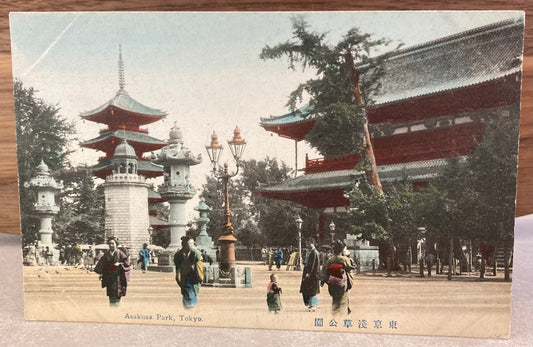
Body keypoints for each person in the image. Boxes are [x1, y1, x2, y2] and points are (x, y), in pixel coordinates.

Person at [320, 240, 355, 315]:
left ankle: (335, 316)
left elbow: (324, 271)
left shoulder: (330, 260)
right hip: (342, 283)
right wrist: (349, 258)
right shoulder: (344, 259)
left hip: (332, 283)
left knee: (335, 300)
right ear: (342, 249)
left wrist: (324, 281)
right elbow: (351, 267)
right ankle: (342, 318)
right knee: (343, 300)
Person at [94, 237, 131, 307]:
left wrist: (120, 264)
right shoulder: (106, 254)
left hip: (118, 277)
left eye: (112, 243)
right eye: (109, 243)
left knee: (117, 293)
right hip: (109, 276)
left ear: (116, 244)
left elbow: (127, 263)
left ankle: (116, 308)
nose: (111, 245)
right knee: (111, 294)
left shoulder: (120, 253)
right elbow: (103, 264)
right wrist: (101, 273)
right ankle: (113, 308)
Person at [174, 236, 204, 309]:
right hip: (184, 276)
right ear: (184, 245)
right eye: (189, 244)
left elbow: (200, 262)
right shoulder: (178, 254)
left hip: (193, 276)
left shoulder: (195, 253)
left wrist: (195, 266)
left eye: (192, 244)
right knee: (186, 293)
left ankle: (191, 309)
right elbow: (177, 266)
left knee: (192, 293)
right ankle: (189, 309)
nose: (191, 246)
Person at [300, 238, 321, 311]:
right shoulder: (310, 252)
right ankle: (312, 304)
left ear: (313, 244)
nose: (307, 245)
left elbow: (313, 264)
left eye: (309, 244)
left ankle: (313, 305)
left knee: (312, 290)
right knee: (308, 289)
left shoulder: (314, 253)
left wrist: (309, 273)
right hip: (308, 272)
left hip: (312, 274)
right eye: (307, 244)